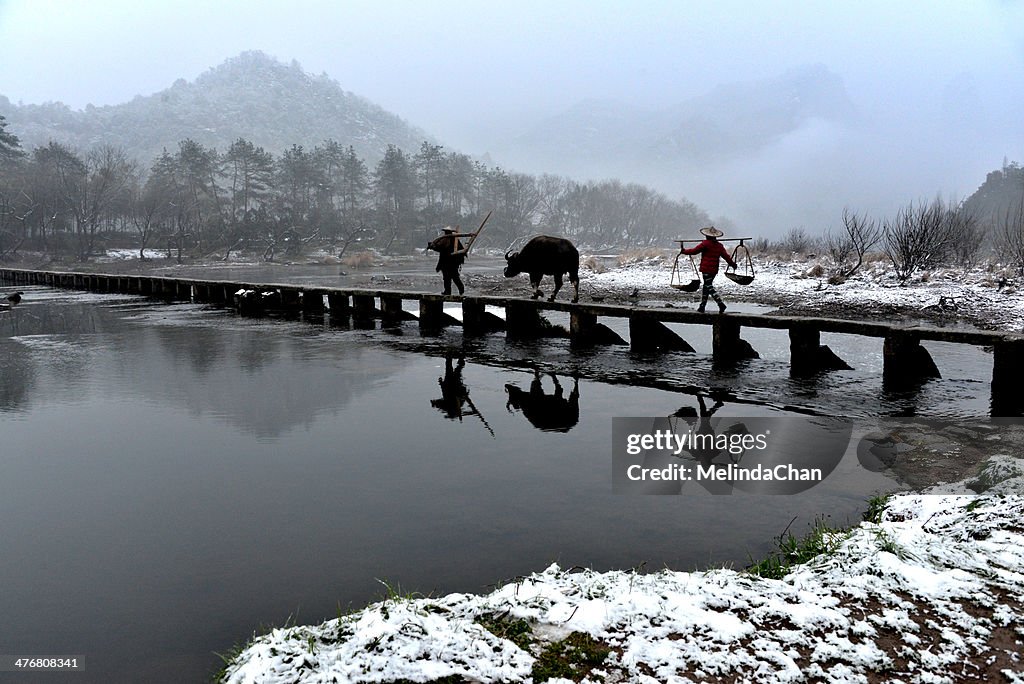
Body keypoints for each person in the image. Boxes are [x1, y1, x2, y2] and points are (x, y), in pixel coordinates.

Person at [682, 226, 737, 313]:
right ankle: (702, 306)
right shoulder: (719, 246)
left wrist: (684, 251)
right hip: (714, 270)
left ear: (707, 236)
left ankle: (720, 304)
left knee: (709, 286)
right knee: (706, 286)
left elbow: (694, 251)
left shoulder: (705, 244)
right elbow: (726, 257)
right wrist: (733, 264)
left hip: (706, 269)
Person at [427, 227, 466, 295]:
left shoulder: (447, 239)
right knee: (452, 277)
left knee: (449, 277)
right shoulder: (453, 239)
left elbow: (440, 248)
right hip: (451, 263)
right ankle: (454, 290)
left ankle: (453, 290)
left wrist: (432, 247)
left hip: (448, 263)